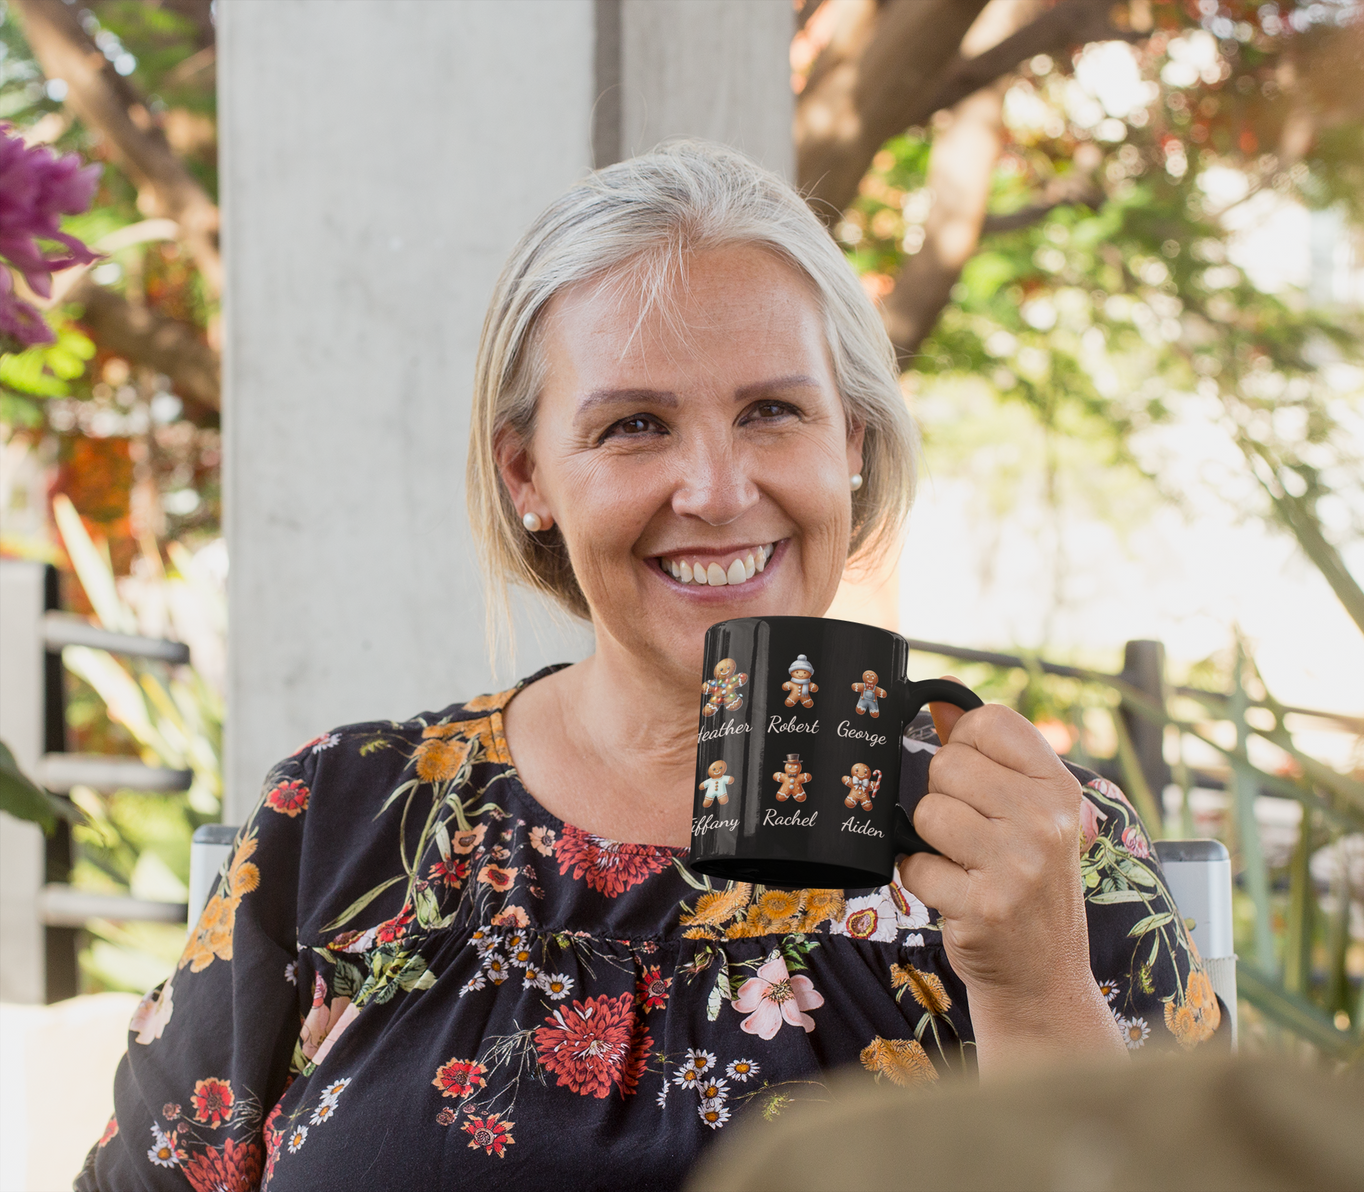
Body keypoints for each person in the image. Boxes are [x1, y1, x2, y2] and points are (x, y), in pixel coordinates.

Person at [78, 141, 1221, 1192]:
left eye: (773, 410)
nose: (717, 491)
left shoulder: (1034, 856)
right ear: (527, 473)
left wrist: (1035, 991)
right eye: (633, 425)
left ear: (851, 448)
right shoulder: (346, 821)